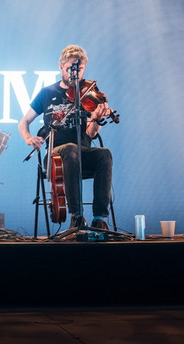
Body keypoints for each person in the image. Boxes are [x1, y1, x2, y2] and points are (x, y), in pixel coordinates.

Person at [18, 45, 115, 231]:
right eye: (71, 68)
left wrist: (97, 119)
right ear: (61, 67)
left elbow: (91, 133)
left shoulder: (89, 93)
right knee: (70, 148)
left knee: (104, 154)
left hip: (82, 153)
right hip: (56, 156)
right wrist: (29, 138)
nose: (75, 73)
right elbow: (23, 122)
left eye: (79, 69)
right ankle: (76, 216)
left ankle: (99, 218)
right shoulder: (47, 93)